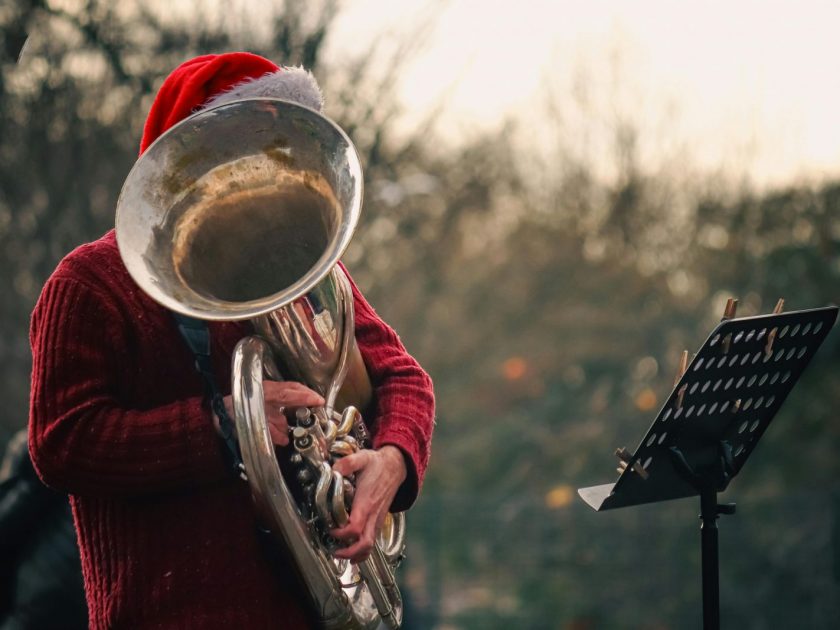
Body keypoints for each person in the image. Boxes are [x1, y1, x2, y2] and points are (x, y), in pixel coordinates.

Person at [28, 52, 435, 629]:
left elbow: (404, 376)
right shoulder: (88, 282)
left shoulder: (310, 273)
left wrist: (392, 460)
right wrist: (227, 424)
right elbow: (60, 441)